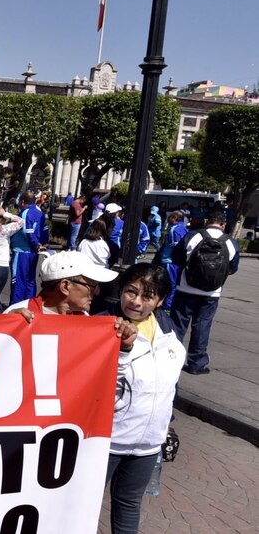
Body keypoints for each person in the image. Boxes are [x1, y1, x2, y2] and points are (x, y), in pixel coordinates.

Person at [103, 263, 184, 534]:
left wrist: (166, 423)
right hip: (107, 442)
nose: (135, 301)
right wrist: (122, 351)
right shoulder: (103, 324)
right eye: (130, 291)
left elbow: (171, 384)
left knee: (129, 503)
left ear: (160, 300)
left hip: (148, 444)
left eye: (147, 296)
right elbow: (97, 388)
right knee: (83, 504)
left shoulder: (169, 329)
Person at [169, 209, 239, 374]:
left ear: (207, 221)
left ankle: (170, 357)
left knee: (178, 326)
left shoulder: (193, 236)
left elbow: (176, 258)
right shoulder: (231, 242)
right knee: (202, 327)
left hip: (186, 289)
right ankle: (196, 363)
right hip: (211, 294)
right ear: (224, 224)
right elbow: (233, 268)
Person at [4, 251, 119, 315]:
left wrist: (125, 348)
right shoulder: (18, 315)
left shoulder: (82, 316)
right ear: (65, 286)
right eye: (92, 285)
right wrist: (9, 326)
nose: (97, 292)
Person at [9, 191, 46, 304]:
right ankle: (29, 305)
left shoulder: (25, 212)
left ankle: (15, 308)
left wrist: (36, 244)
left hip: (22, 251)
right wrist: (41, 244)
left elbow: (27, 231)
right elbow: (45, 231)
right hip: (33, 252)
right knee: (30, 280)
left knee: (18, 281)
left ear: (23, 202)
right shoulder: (39, 212)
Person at [0, 206, 24, 308]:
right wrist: (5, 213)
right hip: (2, 265)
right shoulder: (3, 230)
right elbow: (21, 221)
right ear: (0, 218)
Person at [155, 211, 188, 308]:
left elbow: (176, 246)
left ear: (175, 217)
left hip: (170, 260)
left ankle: (167, 305)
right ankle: (170, 303)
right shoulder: (185, 229)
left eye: (170, 217)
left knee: (170, 283)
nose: (168, 219)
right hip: (177, 262)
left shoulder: (174, 229)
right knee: (174, 283)